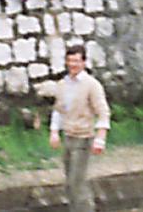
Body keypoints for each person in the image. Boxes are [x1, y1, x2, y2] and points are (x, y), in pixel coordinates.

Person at [49, 44, 110, 212]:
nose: (73, 64)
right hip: (68, 136)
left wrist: (100, 138)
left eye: (76, 61)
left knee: (77, 182)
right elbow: (58, 109)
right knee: (70, 182)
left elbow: (103, 112)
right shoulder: (63, 84)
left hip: (84, 137)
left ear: (83, 62)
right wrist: (54, 132)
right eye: (70, 61)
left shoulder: (92, 85)